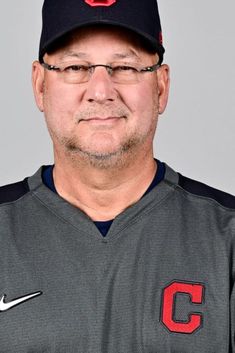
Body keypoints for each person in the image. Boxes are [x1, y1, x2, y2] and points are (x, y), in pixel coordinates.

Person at [0, 0, 234, 352]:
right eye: (75, 66)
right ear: (40, 84)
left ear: (160, 87)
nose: (101, 91)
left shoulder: (227, 238)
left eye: (125, 67)